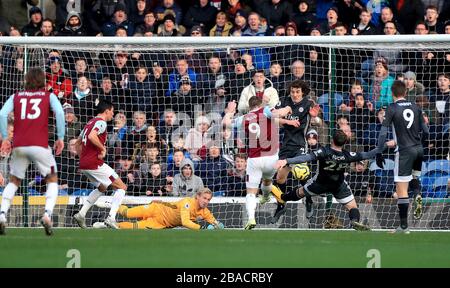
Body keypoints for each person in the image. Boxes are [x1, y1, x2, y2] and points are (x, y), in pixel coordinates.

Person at [273, 129, 381, 231]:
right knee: (353, 207)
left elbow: (306, 158)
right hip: (338, 186)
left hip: (320, 184)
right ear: (344, 143)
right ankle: (354, 221)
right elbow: (369, 154)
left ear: (332, 140)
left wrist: (287, 160)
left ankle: (283, 197)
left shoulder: (323, 151)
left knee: (300, 192)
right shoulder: (347, 155)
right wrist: (383, 146)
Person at [0, 68, 66, 236]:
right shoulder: (48, 96)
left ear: (26, 80)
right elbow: (59, 112)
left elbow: (2, 113)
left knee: (14, 181)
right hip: (40, 146)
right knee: (52, 179)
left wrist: (6, 138)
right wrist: (60, 137)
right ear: (42, 80)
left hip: (20, 146)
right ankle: (47, 214)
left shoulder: (16, 96)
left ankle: (2, 215)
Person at [223, 96, 292, 230]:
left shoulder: (244, 118)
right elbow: (279, 113)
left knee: (251, 192)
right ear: (261, 104)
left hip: (254, 159)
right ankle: (266, 196)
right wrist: (288, 107)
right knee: (267, 181)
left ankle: (250, 219)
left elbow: (226, 123)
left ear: (249, 107)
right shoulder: (265, 110)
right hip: (271, 158)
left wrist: (230, 111)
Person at [375, 80, 429, 233]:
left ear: (392, 93)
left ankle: (403, 226)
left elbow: (383, 132)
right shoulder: (416, 106)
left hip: (404, 151)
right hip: (418, 149)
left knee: (401, 189)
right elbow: (426, 132)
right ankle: (418, 194)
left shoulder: (392, 108)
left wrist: (379, 152)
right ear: (405, 92)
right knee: (414, 178)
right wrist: (418, 143)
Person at [73, 100, 127, 229]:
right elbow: (92, 136)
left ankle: (81, 214)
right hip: (95, 163)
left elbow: (77, 143)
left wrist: (83, 158)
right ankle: (111, 218)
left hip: (85, 164)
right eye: (112, 112)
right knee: (122, 187)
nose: (112, 115)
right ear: (107, 111)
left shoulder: (89, 123)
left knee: (102, 187)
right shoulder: (101, 122)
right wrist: (102, 149)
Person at [271, 80, 320, 218]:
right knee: (280, 177)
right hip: (286, 145)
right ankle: (281, 204)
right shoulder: (284, 101)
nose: (295, 94)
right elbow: (272, 118)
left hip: (300, 144)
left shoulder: (308, 103)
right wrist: (288, 121)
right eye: (292, 91)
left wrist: (315, 118)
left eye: (297, 92)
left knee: (301, 173)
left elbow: (317, 121)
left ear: (302, 92)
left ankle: (309, 200)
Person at [106, 188, 224, 230]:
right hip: (156, 208)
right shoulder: (187, 203)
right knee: (127, 213)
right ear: (197, 197)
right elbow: (185, 222)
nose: (206, 201)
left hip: (160, 223)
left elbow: (214, 222)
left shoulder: (205, 212)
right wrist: (202, 227)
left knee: (133, 227)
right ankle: (111, 203)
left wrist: (217, 225)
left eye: (209, 199)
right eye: (204, 198)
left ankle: (108, 225)